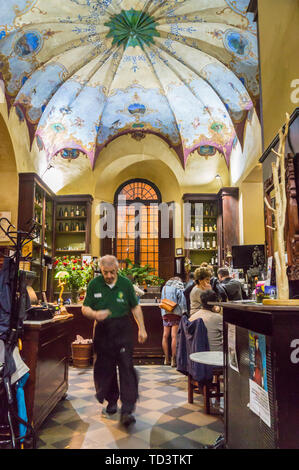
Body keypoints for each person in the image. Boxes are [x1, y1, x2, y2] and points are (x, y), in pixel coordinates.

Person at [81, 255, 147, 427]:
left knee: (126, 367)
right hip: (102, 331)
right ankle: (111, 400)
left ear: (117, 269)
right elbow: (85, 307)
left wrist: (142, 328)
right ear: (100, 270)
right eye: (105, 272)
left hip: (123, 329)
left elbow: (135, 306)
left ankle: (127, 410)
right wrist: (95, 314)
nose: (109, 276)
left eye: (112, 272)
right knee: (105, 368)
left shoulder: (125, 284)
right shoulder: (94, 284)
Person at [160, 277, 187, 367]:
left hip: (165, 313)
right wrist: (184, 312)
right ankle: (173, 360)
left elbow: (162, 301)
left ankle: (166, 358)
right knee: (174, 336)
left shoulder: (164, 287)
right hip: (175, 313)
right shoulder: (178, 287)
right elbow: (182, 301)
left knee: (165, 336)